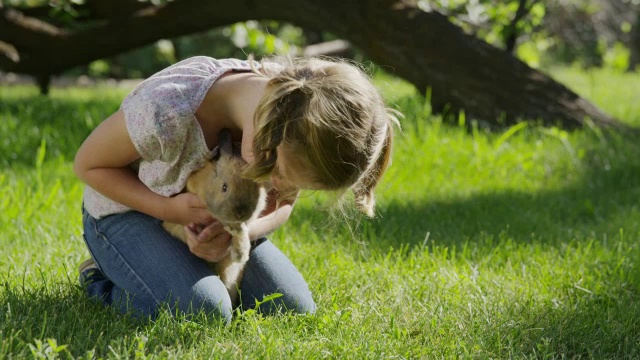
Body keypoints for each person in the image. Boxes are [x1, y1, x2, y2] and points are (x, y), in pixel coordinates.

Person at [74, 55, 400, 323]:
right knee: (205, 312)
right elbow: (88, 165)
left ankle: (178, 273)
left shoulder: (293, 110)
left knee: (291, 309)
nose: (277, 187)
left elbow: (283, 206)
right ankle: (102, 279)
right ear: (266, 136)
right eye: (277, 173)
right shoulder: (166, 112)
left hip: (220, 220)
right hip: (127, 214)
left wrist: (237, 233)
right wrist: (167, 210)